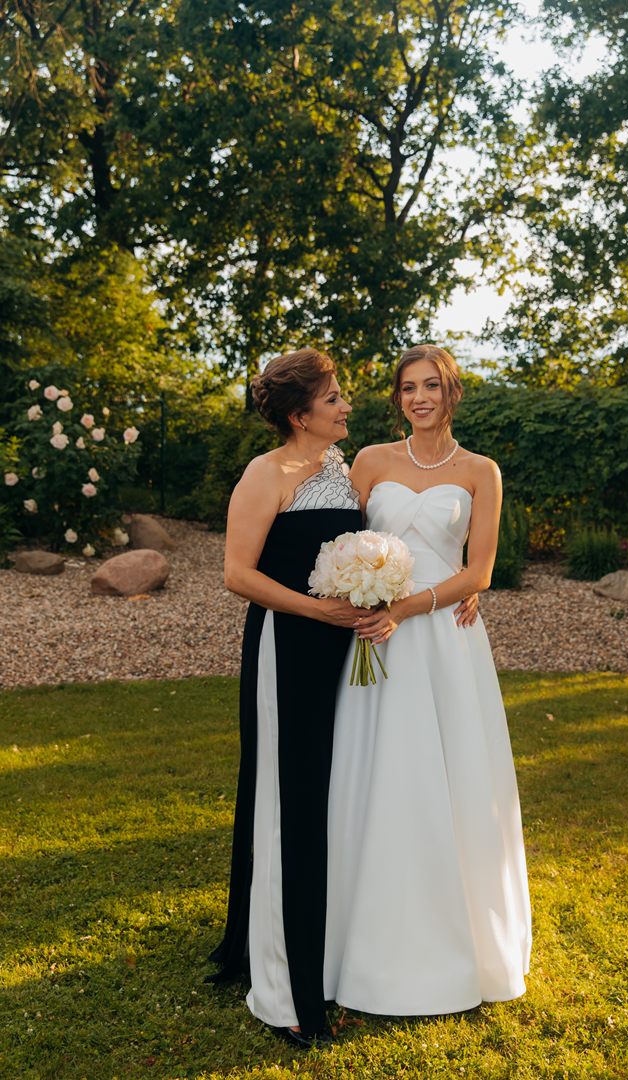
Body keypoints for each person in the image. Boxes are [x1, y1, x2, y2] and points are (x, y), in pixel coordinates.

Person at [324, 344, 532, 1016]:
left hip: (443, 637)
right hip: (373, 636)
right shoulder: (369, 462)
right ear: (398, 398)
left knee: (454, 775)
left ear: (451, 393)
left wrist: (410, 608)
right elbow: (337, 542)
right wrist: (354, 591)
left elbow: (479, 571)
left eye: (431, 386)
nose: (419, 398)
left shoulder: (480, 471)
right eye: (408, 388)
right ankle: (361, 935)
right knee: (376, 770)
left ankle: (458, 940)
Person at [206, 348, 369, 1047]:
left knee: (334, 793)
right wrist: (316, 610)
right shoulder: (263, 474)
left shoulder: (342, 467)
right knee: (289, 799)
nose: (345, 406)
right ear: (300, 415)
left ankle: (331, 947)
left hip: (345, 649)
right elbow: (237, 574)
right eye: (333, 398)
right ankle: (284, 983)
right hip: (289, 649)